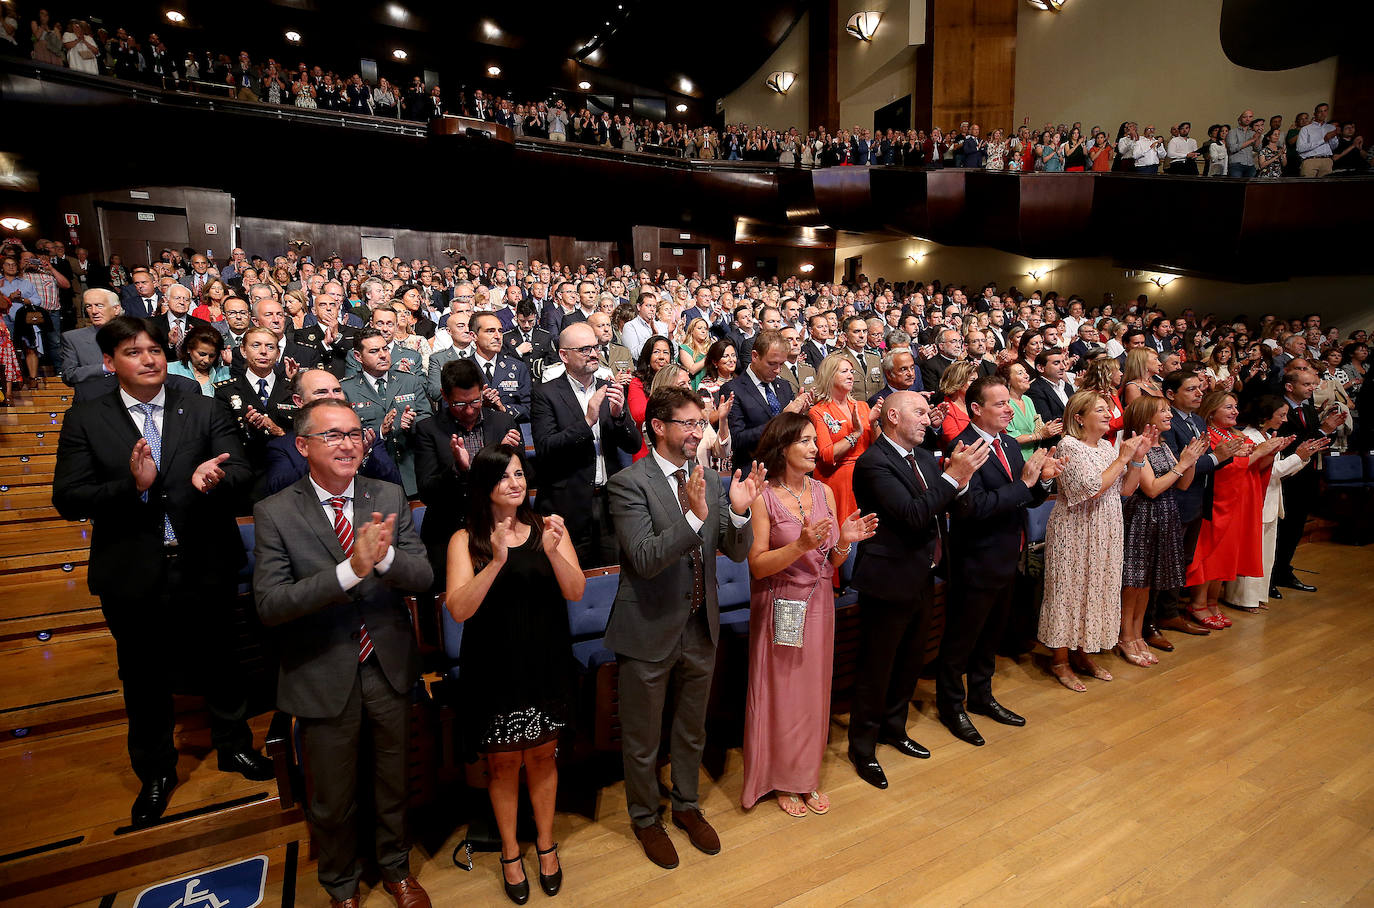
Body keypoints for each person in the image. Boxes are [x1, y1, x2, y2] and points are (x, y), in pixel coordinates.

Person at [52, 316, 271, 828]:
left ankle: (234, 745)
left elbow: (243, 472)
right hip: (133, 570)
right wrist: (133, 486)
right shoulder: (87, 416)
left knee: (221, 661)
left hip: (205, 560)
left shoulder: (202, 406)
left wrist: (214, 477)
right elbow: (68, 498)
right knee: (144, 676)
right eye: (133, 352)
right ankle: (155, 772)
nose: (148, 359)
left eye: (154, 349)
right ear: (110, 362)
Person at [252, 398, 434, 908]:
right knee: (332, 796)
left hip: (387, 664)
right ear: (302, 445)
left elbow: (422, 578)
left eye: (354, 433)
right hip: (320, 669)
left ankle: (396, 869)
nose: (348, 443)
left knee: (393, 780)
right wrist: (349, 571)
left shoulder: (388, 494)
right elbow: (270, 604)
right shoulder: (276, 511)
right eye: (333, 435)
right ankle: (341, 884)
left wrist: (384, 558)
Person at [607, 387, 760, 869]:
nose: (699, 432)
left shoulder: (711, 481)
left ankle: (687, 806)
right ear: (659, 425)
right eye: (689, 424)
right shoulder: (629, 483)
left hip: (700, 624)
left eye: (702, 423)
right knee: (643, 736)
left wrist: (737, 511)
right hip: (648, 627)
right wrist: (694, 516)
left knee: (692, 730)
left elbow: (736, 552)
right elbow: (647, 558)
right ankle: (645, 816)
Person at [444, 444, 583, 903]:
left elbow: (577, 590)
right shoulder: (465, 540)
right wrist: (498, 561)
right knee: (502, 764)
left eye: (520, 473)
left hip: (545, 658)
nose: (515, 483)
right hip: (494, 665)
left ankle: (546, 846)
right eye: (504, 476)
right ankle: (509, 851)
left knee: (543, 757)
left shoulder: (549, 527)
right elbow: (459, 609)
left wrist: (554, 552)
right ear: (484, 485)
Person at [847, 392, 985, 789]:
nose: (929, 420)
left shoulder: (923, 456)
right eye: (920, 413)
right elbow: (911, 516)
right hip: (888, 580)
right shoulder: (874, 463)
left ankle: (895, 727)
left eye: (928, 413)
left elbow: (948, 507)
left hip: (924, 574)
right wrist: (951, 478)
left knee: (911, 660)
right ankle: (864, 747)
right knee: (878, 667)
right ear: (892, 416)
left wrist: (959, 484)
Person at [742, 413, 876, 815]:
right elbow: (758, 566)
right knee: (783, 695)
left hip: (818, 604)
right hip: (780, 603)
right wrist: (799, 546)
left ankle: (805, 777)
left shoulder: (824, 493)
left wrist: (845, 542)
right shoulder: (763, 497)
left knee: (814, 693)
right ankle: (781, 779)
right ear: (782, 448)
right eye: (803, 441)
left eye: (812, 441)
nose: (813, 447)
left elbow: (830, 563)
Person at [941, 377, 1057, 745]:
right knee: (961, 639)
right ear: (976, 409)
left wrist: (1040, 484)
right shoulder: (963, 448)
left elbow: (1024, 498)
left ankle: (981, 695)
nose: (1010, 409)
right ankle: (951, 706)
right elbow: (973, 508)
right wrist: (1024, 485)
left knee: (991, 635)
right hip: (975, 558)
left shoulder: (1006, 441)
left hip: (1008, 554)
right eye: (1000, 404)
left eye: (1009, 403)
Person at [1039, 391, 1151, 692]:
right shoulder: (1068, 445)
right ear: (1079, 417)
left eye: (1107, 409)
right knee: (1069, 591)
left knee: (1097, 588)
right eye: (1099, 410)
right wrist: (1125, 457)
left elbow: (1125, 489)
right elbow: (1091, 489)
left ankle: (1082, 652)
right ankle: (1060, 660)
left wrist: (1137, 460)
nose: (1107, 414)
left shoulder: (1105, 446)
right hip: (1075, 529)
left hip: (1106, 527)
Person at [530, 321, 641, 568]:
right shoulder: (546, 393)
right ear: (563, 355)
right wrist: (588, 421)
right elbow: (546, 449)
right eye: (584, 349)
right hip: (567, 506)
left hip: (609, 504)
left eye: (595, 347)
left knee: (611, 577)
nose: (593, 354)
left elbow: (633, 445)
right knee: (569, 584)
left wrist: (619, 416)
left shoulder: (609, 388)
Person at [413, 358, 522, 587]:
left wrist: (502, 457)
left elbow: (528, 475)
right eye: (460, 404)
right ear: (444, 396)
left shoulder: (503, 422)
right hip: (448, 531)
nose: (470, 410)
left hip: (498, 530)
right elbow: (426, 491)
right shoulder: (428, 430)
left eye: (475, 401)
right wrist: (458, 469)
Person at [1185, 390, 1289, 626]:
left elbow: (1255, 466)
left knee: (1226, 555)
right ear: (1212, 412)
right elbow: (1224, 469)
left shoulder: (1235, 433)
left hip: (1239, 501)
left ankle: (1213, 603)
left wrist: (1271, 452)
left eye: (1235, 407)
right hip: (1217, 502)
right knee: (1210, 556)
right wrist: (1260, 452)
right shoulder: (1208, 435)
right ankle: (1198, 604)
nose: (1235, 412)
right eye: (1228, 407)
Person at [1118, 397, 1209, 665]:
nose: (1170, 415)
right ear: (1147, 417)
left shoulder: (1165, 444)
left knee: (1146, 584)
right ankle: (1126, 636)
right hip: (1142, 517)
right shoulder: (1138, 447)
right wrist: (1182, 465)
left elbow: (1182, 485)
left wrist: (1190, 462)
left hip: (1166, 514)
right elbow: (1152, 488)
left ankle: (1137, 634)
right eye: (1164, 411)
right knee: (1133, 583)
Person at [1222, 395, 1328, 611]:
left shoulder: (1266, 435)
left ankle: (1258, 596)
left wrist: (1302, 457)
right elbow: (1268, 473)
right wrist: (1299, 456)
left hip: (1269, 499)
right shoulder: (1249, 437)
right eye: (1281, 415)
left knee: (1266, 553)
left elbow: (1278, 474)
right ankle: (1242, 598)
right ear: (1265, 415)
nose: (1285, 420)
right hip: (1255, 500)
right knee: (1252, 552)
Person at [1272, 366, 1343, 592]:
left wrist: (1326, 433)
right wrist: (1323, 431)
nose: (1312, 388)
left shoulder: (1308, 408)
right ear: (1290, 387)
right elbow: (1290, 443)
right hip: (1284, 476)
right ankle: (1269, 577)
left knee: (1295, 529)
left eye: (1313, 384)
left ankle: (1284, 571)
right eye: (1307, 384)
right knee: (1280, 530)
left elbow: (1314, 441)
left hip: (1306, 475)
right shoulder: (1278, 409)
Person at [341, 328, 431, 497]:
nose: (383, 355)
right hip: (373, 476)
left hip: (412, 472)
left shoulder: (409, 381)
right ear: (358, 356)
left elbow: (427, 419)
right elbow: (345, 436)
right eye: (374, 351)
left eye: (385, 349)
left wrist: (412, 424)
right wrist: (380, 433)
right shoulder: (347, 390)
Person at [723, 330, 808, 470]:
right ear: (755, 356)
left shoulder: (784, 386)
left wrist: (797, 416)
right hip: (753, 475)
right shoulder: (733, 390)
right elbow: (737, 440)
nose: (777, 370)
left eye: (781, 364)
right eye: (772, 364)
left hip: (786, 472)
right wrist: (781, 419)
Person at [809, 355, 875, 521]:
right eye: (844, 371)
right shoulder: (818, 411)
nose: (851, 376)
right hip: (838, 482)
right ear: (830, 376)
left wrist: (874, 424)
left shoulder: (863, 406)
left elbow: (879, 446)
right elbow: (827, 455)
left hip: (869, 475)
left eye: (851, 371)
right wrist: (855, 434)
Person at [1002, 361, 1061, 459]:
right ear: (1008, 380)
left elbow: (1037, 426)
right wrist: (1039, 435)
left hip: (1035, 456)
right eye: (1020, 373)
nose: (1026, 376)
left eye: (1025, 372)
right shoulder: (1005, 403)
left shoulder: (1027, 400)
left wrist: (1051, 428)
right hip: (1016, 457)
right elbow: (1010, 438)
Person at [628, 335, 674, 460]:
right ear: (648, 356)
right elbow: (639, 415)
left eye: (666, 352)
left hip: (674, 448)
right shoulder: (637, 382)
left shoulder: (676, 380)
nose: (661, 357)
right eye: (656, 352)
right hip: (646, 449)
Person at [167, 323, 230, 395]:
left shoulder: (225, 374)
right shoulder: (170, 370)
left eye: (212, 356)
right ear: (189, 349)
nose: (206, 360)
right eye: (202, 354)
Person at [936, 360, 978, 445]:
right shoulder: (946, 409)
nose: (978, 384)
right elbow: (956, 442)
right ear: (958, 382)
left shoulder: (980, 405)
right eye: (972, 380)